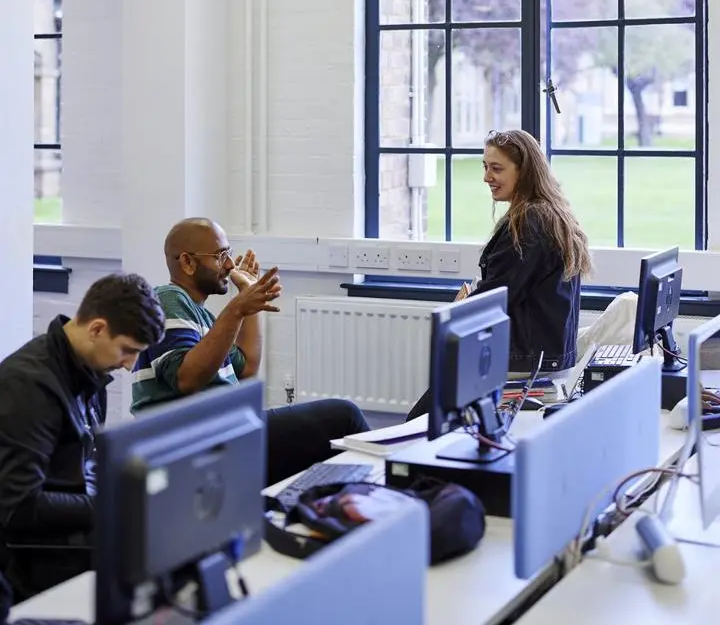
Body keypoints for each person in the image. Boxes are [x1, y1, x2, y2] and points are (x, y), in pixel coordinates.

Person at [131, 218, 369, 484]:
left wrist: (248, 296)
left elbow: (246, 367)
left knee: (336, 433)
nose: (231, 265)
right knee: (344, 418)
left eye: (229, 254)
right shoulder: (168, 298)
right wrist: (237, 309)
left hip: (225, 432)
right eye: (221, 256)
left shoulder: (207, 319)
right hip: (196, 441)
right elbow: (186, 378)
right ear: (187, 262)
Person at [0, 273, 165, 601]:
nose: (130, 366)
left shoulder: (88, 370)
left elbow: (83, 465)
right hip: (32, 557)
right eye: (127, 350)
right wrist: (111, 503)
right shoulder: (28, 386)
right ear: (97, 329)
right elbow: (17, 507)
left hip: (72, 528)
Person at [408, 129, 590, 419]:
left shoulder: (529, 222)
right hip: (545, 356)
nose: (486, 177)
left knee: (421, 419)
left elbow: (495, 300)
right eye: (485, 167)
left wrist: (462, 307)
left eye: (496, 168)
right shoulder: (550, 213)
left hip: (522, 362)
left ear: (525, 171)